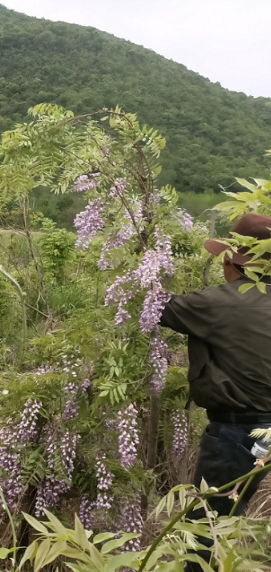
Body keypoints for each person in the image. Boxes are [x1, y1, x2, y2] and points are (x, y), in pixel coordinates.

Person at [159, 212, 271, 567]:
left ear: (230, 259)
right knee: (230, 523)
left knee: (205, 529)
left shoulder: (219, 302)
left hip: (236, 432)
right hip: (267, 432)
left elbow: (158, 307)